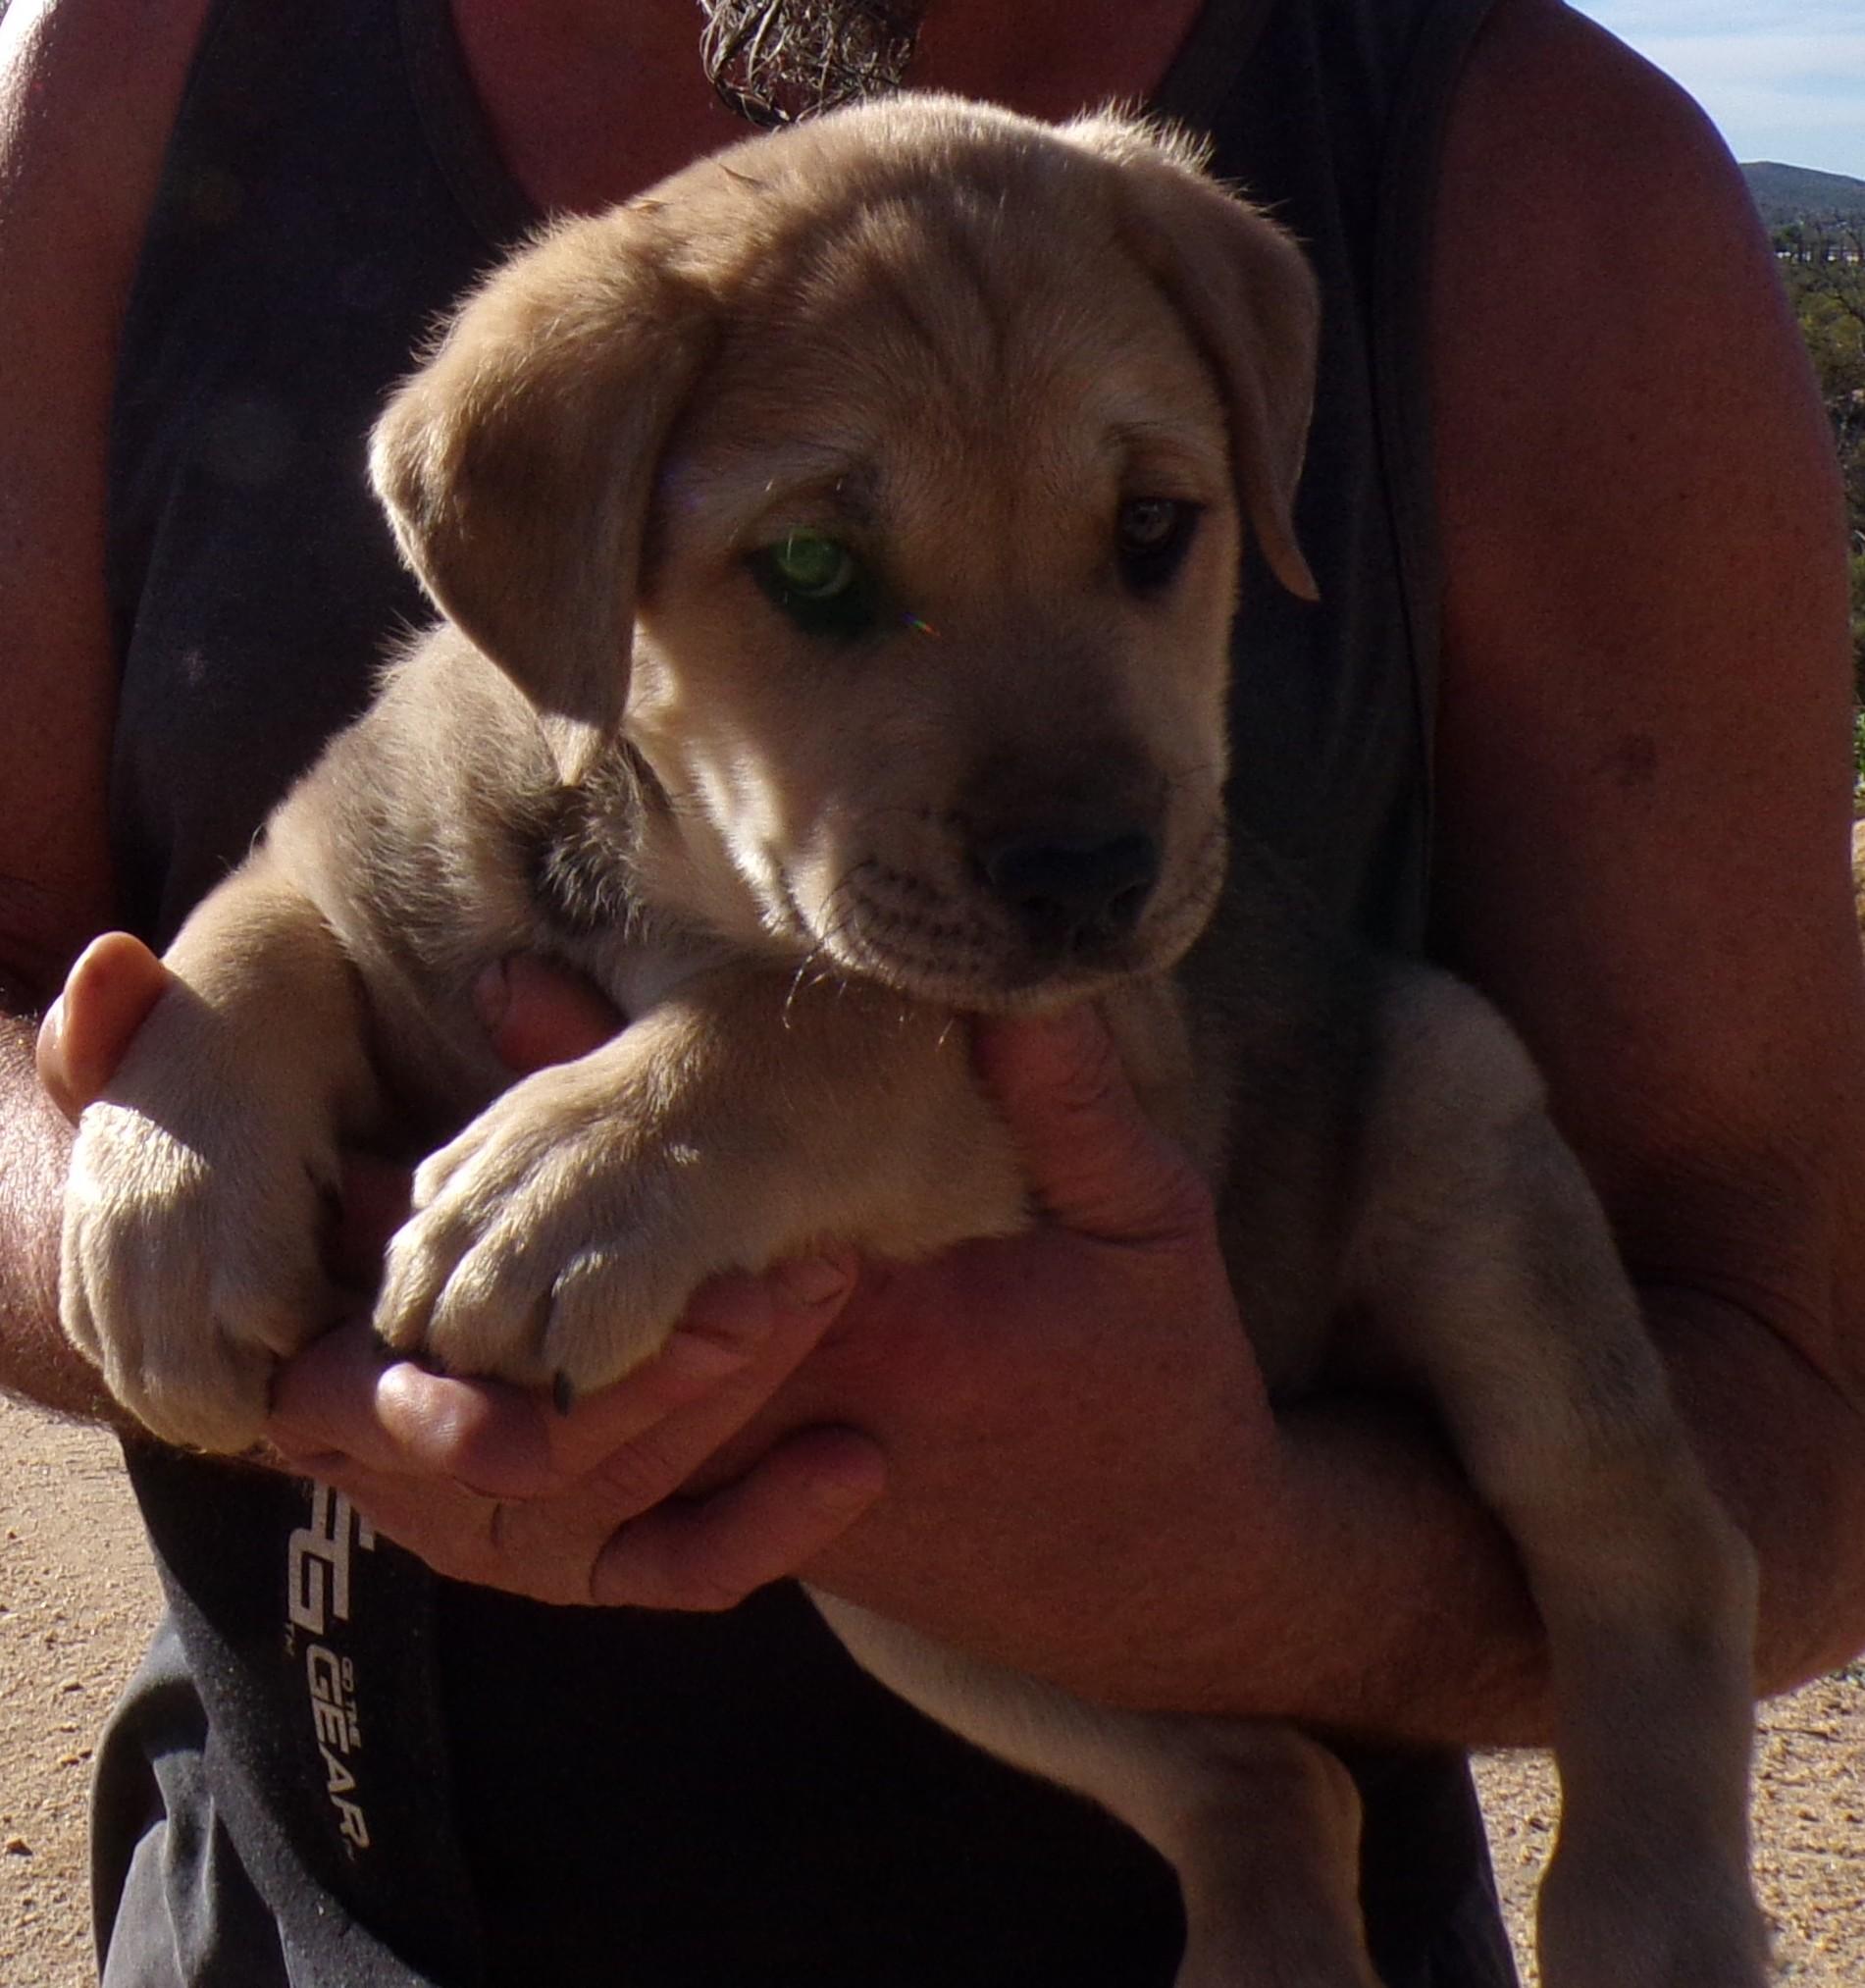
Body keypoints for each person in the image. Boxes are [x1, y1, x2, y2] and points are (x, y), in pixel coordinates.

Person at [4, 0, 1863, 1982]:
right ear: (559, 570)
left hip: (1250, 1446)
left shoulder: (1528, 174)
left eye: (1149, 534)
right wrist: (186, 1155)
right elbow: (249, 918)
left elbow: (1804, 1404)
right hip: (286, 1917)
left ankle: (1306, 1828)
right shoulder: (156, 69)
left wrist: (1231, 1559)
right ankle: (1249, 1818)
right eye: (821, 572)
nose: (1066, 813)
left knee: (1437, 1109)